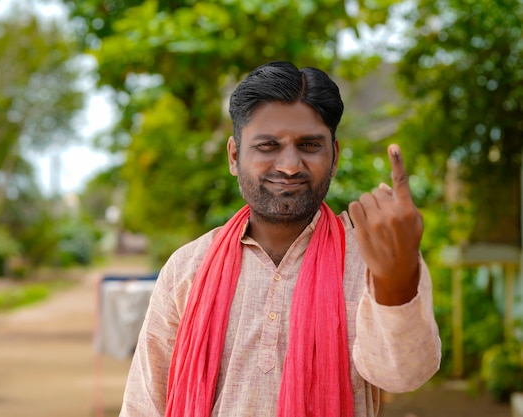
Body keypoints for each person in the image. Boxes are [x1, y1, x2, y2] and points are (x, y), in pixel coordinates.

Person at [119, 61, 441, 417]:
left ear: (334, 157)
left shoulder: (375, 259)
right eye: (268, 145)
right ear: (235, 155)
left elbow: (403, 376)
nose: (289, 165)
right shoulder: (188, 268)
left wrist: (395, 282)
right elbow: (144, 405)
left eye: (309, 145)